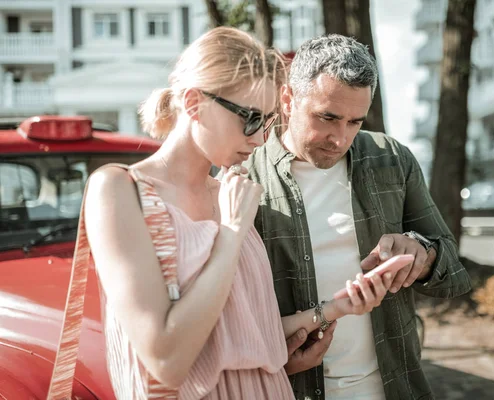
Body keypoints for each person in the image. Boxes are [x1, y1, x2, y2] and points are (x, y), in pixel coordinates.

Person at [82, 27, 392, 399]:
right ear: (194, 102)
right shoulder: (121, 189)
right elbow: (165, 361)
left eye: (268, 122)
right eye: (250, 118)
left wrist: (335, 308)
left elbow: (237, 332)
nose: (260, 138)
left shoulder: (230, 193)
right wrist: (229, 234)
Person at [246, 34, 473, 400]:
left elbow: (454, 274)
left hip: (393, 388)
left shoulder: (391, 158)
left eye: (355, 121)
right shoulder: (243, 176)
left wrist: (421, 254)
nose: (340, 138)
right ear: (288, 99)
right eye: (328, 117)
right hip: (289, 389)